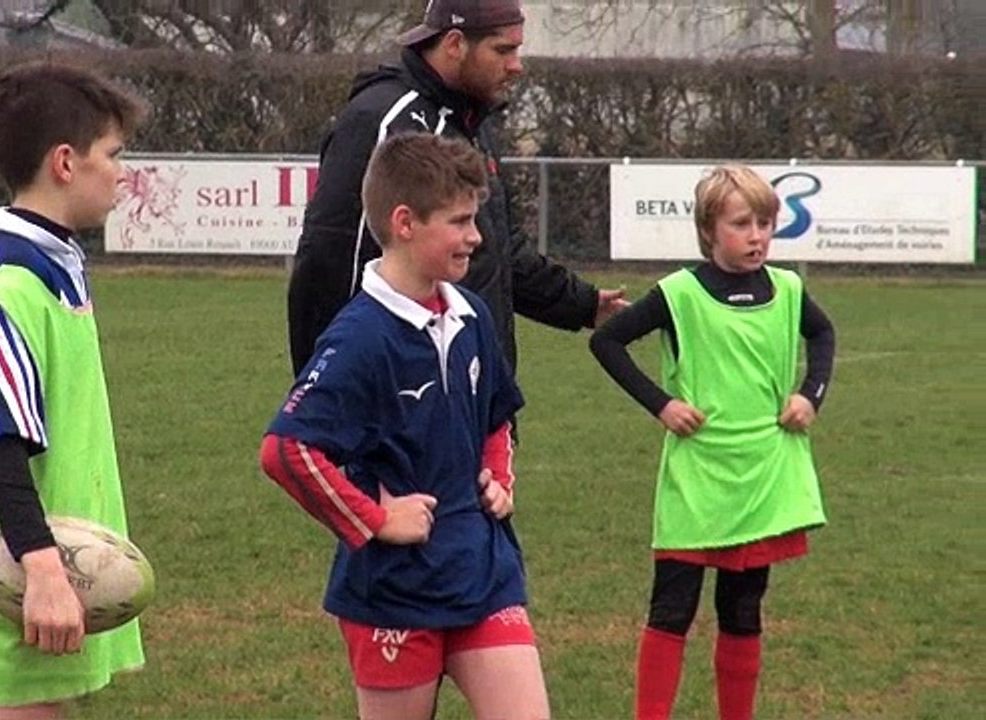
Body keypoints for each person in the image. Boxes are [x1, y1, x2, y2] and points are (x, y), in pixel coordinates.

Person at [260, 132, 551, 720]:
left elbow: (496, 412)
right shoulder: (360, 338)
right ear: (405, 222)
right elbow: (286, 452)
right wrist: (375, 519)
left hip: (482, 568)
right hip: (394, 590)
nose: (476, 236)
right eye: (461, 221)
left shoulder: (469, 315)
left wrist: (497, 473)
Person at [0, 61, 148, 719]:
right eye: (113, 154)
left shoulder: (50, 265)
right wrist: (43, 569)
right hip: (16, 558)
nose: (122, 171)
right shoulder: (11, 286)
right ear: (66, 163)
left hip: (40, 553)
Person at [588, 165, 836, 720]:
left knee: (743, 610)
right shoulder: (680, 293)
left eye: (766, 223)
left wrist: (810, 395)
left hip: (764, 475)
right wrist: (662, 404)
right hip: (698, 478)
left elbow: (822, 333)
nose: (758, 236)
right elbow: (607, 342)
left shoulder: (790, 289)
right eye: (742, 223)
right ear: (709, 231)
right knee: (672, 609)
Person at [286, 0, 627, 380]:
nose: (517, 65)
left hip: (473, 394)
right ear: (454, 44)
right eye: (503, 49)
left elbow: (498, 251)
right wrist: (326, 388)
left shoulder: (470, 122)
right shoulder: (382, 120)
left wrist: (581, 305)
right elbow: (329, 263)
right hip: (406, 400)